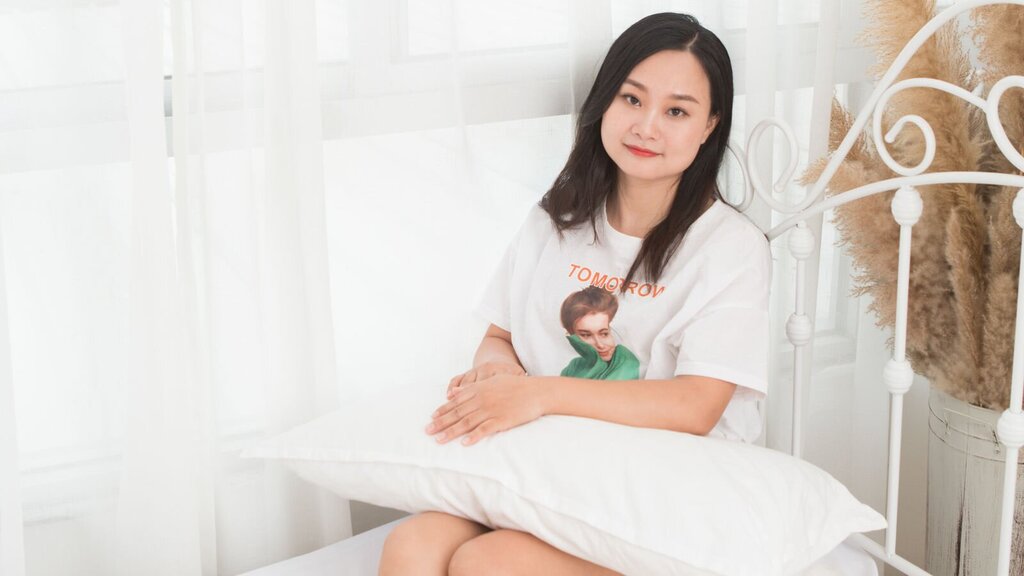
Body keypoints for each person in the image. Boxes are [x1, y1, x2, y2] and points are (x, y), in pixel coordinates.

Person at [379, 12, 770, 576]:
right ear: (604, 102)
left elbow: (696, 407)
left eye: (676, 111)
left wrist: (537, 395)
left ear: (710, 125)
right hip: (553, 468)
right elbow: (499, 336)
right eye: (631, 99)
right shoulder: (556, 219)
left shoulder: (730, 247)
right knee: (411, 546)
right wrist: (498, 374)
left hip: (665, 487)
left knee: (488, 564)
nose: (646, 127)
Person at [558, 286, 640, 380]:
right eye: (586, 335)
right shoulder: (575, 366)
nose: (600, 345)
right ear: (572, 337)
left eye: (604, 334)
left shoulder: (625, 360)